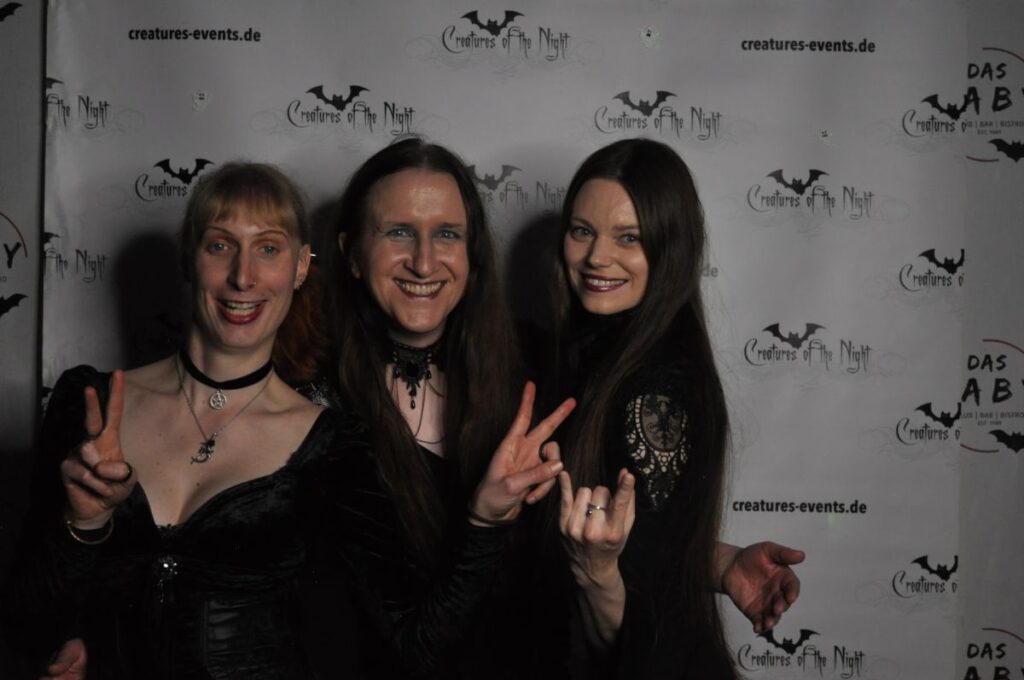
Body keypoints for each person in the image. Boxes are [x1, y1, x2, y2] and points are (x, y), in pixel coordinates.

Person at [4, 161, 570, 679]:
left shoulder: (333, 443)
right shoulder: (91, 406)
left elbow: (412, 645)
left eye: (269, 249)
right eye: (220, 245)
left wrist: (486, 520)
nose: (243, 276)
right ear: (188, 256)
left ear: (301, 266)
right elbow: (27, 628)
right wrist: (83, 525)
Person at [540, 138, 802, 678]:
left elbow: (641, 628)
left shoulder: (654, 389)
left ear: (670, 249)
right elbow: (651, 547)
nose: (597, 257)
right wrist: (720, 561)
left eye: (628, 237)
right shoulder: (602, 350)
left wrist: (595, 574)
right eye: (582, 231)